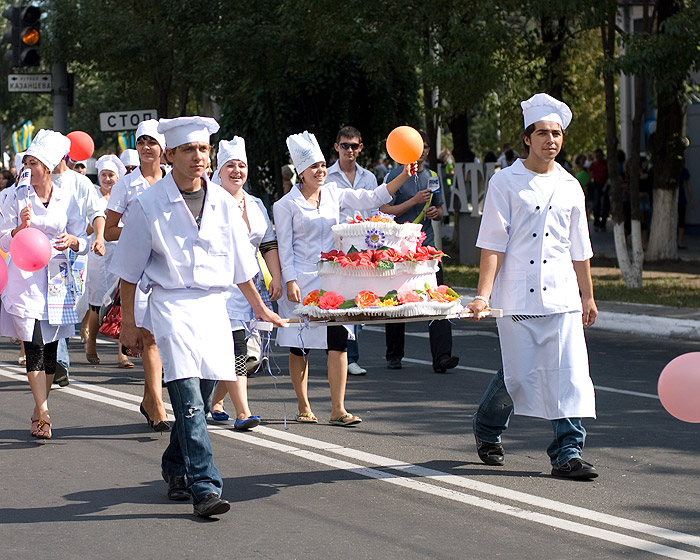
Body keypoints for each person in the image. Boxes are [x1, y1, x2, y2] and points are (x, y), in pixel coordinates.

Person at [110, 116, 285, 518]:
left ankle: (174, 465)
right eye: (188, 150)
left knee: (202, 400)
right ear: (170, 155)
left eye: (204, 149)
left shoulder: (223, 202)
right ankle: (204, 486)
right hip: (170, 307)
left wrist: (260, 309)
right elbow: (128, 269)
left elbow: (242, 263)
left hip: (213, 308)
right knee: (187, 397)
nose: (198, 157)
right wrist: (132, 326)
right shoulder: (148, 204)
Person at [467, 93, 599, 480]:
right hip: (517, 294)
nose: (551, 140)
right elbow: (492, 243)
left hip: (561, 294)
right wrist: (482, 296)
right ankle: (487, 428)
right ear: (527, 138)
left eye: (556, 133)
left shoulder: (572, 185)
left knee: (568, 374)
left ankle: (567, 453)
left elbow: (580, 246)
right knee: (518, 374)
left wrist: (587, 294)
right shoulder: (505, 182)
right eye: (542, 133)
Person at [273, 130, 415, 425]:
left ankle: (338, 408)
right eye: (314, 167)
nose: (321, 171)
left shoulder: (335, 194)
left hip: (333, 278)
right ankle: (304, 406)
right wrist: (289, 281)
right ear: (301, 172)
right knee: (300, 344)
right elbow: (284, 247)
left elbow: (371, 198)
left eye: (323, 165)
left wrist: (402, 175)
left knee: (338, 339)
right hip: (300, 277)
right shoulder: (285, 205)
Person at [0, 130, 88, 439]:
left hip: (57, 279)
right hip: (23, 281)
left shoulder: (66, 198)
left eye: (33, 163)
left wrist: (74, 240)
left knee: (50, 349)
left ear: (48, 168)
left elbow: (83, 238)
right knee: (34, 343)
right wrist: (16, 229)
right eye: (25, 162)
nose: (27, 169)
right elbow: (1, 237)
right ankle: (46, 411)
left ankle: (39, 409)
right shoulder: (12, 197)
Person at [208, 136, 283, 429]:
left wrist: (276, 276)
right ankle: (243, 412)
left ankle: (215, 400)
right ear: (219, 169)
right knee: (237, 347)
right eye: (230, 165)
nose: (237, 171)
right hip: (221, 287)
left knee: (254, 354)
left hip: (252, 287)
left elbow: (267, 243)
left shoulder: (255, 204)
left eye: (242, 165)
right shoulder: (210, 200)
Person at [104, 119, 170, 431]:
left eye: (152, 142)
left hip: (171, 267)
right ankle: (157, 404)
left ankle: (149, 398)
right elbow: (109, 230)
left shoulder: (175, 180)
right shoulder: (125, 184)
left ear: (163, 148)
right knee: (149, 336)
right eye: (141, 141)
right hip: (138, 269)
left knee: (159, 336)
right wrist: (138, 231)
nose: (146, 147)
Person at [379, 132, 458, 373]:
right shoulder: (394, 175)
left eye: (425, 147)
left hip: (427, 248)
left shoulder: (433, 175)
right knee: (395, 300)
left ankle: (442, 356)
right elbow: (383, 208)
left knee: (438, 299)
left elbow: (440, 207)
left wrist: (437, 212)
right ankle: (394, 354)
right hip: (399, 249)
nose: (422, 152)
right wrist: (412, 202)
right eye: (418, 147)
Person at [51, 146, 108, 388]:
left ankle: (57, 361)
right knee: (55, 306)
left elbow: (97, 212)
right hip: (46, 255)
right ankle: (59, 363)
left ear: (63, 156)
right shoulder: (36, 181)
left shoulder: (80, 182)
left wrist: (99, 237)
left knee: (70, 305)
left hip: (75, 253)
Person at [326, 125, 378, 376]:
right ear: (336, 147)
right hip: (338, 246)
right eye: (344, 145)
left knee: (362, 299)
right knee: (343, 299)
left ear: (361, 148)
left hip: (366, 245)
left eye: (354, 146)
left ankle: (345, 352)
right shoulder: (327, 176)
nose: (349, 150)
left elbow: (375, 208)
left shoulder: (368, 177)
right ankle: (347, 355)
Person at [84, 155, 133, 368]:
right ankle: (91, 343)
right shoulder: (93, 197)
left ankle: (122, 354)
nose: (107, 179)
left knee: (121, 304)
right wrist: (101, 218)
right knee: (97, 305)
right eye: (103, 175)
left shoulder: (124, 196)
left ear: (118, 176)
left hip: (121, 254)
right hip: (98, 257)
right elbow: (86, 230)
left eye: (111, 175)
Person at [589, 148, 609, 232]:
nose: (598, 157)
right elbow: (590, 172)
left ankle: (603, 223)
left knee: (605, 205)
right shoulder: (593, 164)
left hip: (605, 185)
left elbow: (609, 174)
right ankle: (596, 222)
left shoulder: (606, 163)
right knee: (596, 204)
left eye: (599, 155)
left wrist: (606, 185)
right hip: (596, 185)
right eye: (596, 156)